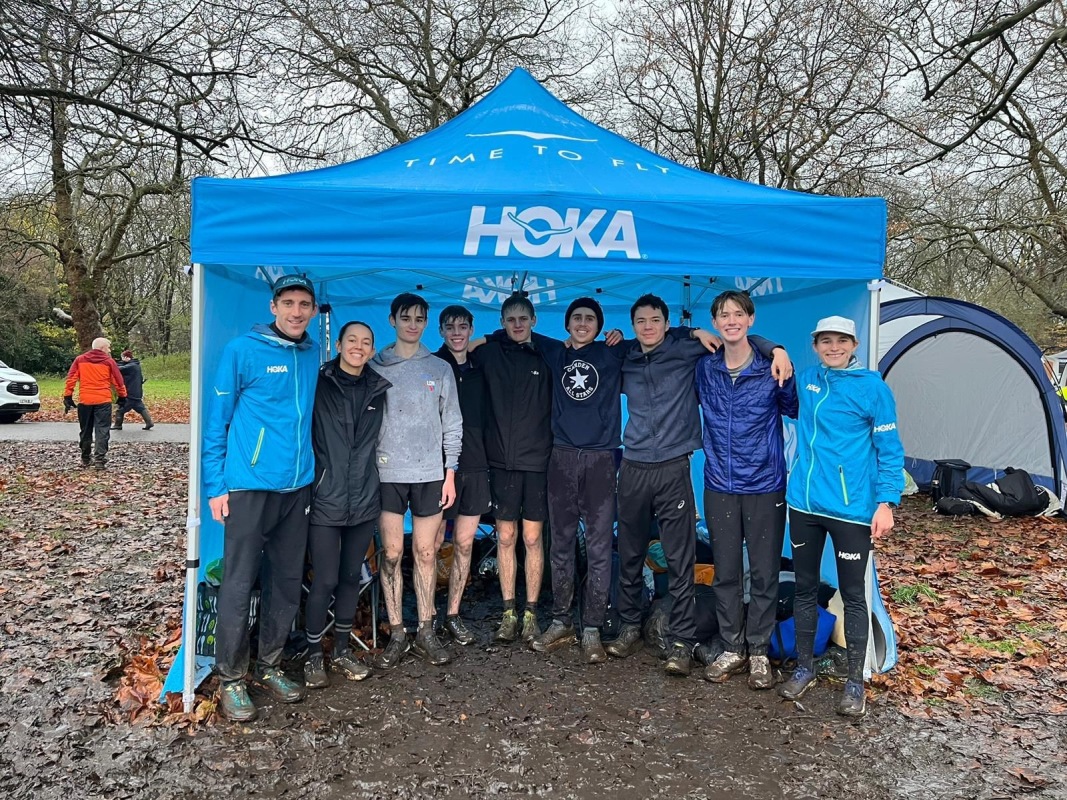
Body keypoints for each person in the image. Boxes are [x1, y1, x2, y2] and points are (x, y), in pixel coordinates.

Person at [606, 294, 791, 677]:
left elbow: (738, 342)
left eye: (655, 320)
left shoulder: (698, 354)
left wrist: (777, 348)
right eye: (641, 321)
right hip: (661, 470)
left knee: (690, 561)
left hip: (709, 471)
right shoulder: (646, 358)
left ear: (667, 323)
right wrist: (616, 338)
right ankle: (633, 627)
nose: (648, 327)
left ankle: (694, 643)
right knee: (634, 553)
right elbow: (598, 353)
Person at [202, 274, 319, 722]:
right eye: (288, 303)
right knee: (239, 581)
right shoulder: (242, 351)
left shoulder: (311, 352)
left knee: (286, 581)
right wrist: (216, 486)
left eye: (304, 304)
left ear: (313, 310)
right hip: (249, 486)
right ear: (273, 306)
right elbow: (217, 421)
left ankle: (269, 664)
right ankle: (231, 678)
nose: (296, 311)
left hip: (298, 487)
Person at [779, 315, 904, 717]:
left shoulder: (873, 388)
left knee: (853, 594)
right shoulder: (808, 380)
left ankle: (854, 682)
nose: (833, 348)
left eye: (841, 341)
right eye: (826, 341)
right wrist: (775, 351)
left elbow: (890, 450)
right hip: (804, 504)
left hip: (851, 509)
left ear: (854, 345)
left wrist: (886, 502)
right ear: (815, 345)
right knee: (804, 588)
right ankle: (804, 668)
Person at [695, 291, 798, 690]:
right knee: (726, 572)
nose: (731, 320)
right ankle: (732, 647)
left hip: (765, 483)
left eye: (739, 314)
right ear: (715, 322)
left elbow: (793, 408)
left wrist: (777, 351)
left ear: (751, 320)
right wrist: (693, 332)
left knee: (764, 572)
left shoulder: (772, 367)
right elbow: (670, 342)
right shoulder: (705, 369)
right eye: (724, 315)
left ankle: (758, 652)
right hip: (719, 483)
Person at [370, 293, 462, 670]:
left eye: (419, 319)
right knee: (392, 553)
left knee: (426, 552)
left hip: (430, 474)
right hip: (386, 473)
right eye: (405, 318)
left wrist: (450, 473)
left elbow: (452, 423)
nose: (412, 325)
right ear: (392, 320)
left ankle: (426, 630)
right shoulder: (374, 366)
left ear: (426, 323)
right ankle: (397, 632)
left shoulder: (439, 368)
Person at [302, 321, 390, 689]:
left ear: (372, 350)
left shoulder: (379, 388)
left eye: (366, 342)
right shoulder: (318, 383)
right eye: (352, 340)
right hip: (326, 496)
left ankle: (341, 650)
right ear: (338, 344)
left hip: (365, 498)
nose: (358, 346)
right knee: (324, 579)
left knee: (351, 576)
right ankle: (312, 655)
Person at [473, 292, 552, 645]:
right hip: (500, 462)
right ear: (502, 323)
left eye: (523, 319)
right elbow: (455, 352)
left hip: (537, 463)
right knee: (505, 537)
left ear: (534, 320)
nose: (517, 325)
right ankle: (508, 612)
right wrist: (488, 338)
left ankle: (531, 612)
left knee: (532, 538)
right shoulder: (488, 353)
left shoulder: (548, 353)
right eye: (510, 320)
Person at [433, 305, 492, 646]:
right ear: (441, 331)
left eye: (462, 326)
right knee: (431, 545)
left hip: (476, 465)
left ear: (471, 330)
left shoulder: (482, 367)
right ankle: (426, 616)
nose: (457, 332)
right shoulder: (432, 365)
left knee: (465, 544)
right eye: (450, 327)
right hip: (438, 470)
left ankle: (453, 614)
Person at [63, 337, 127, 469]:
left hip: (85, 400)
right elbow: (118, 380)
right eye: (108, 347)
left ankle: (85, 457)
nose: (109, 350)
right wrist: (122, 396)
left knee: (85, 430)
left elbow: (71, 378)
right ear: (102, 348)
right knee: (102, 430)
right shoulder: (109, 362)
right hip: (103, 400)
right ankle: (99, 459)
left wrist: (68, 396)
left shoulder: (80, 360)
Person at [111, 349, 154, 431]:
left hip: (130, 392)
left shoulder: (131, 366)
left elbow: (119, 369)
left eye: (122, 357)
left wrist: (111, 364)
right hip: (136, 392)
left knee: (120, 409)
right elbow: (121, 365)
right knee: (140, 408)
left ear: (126, 357)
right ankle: (149, 422)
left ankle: (117, 425)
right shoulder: (135, 365)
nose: (122, 359)